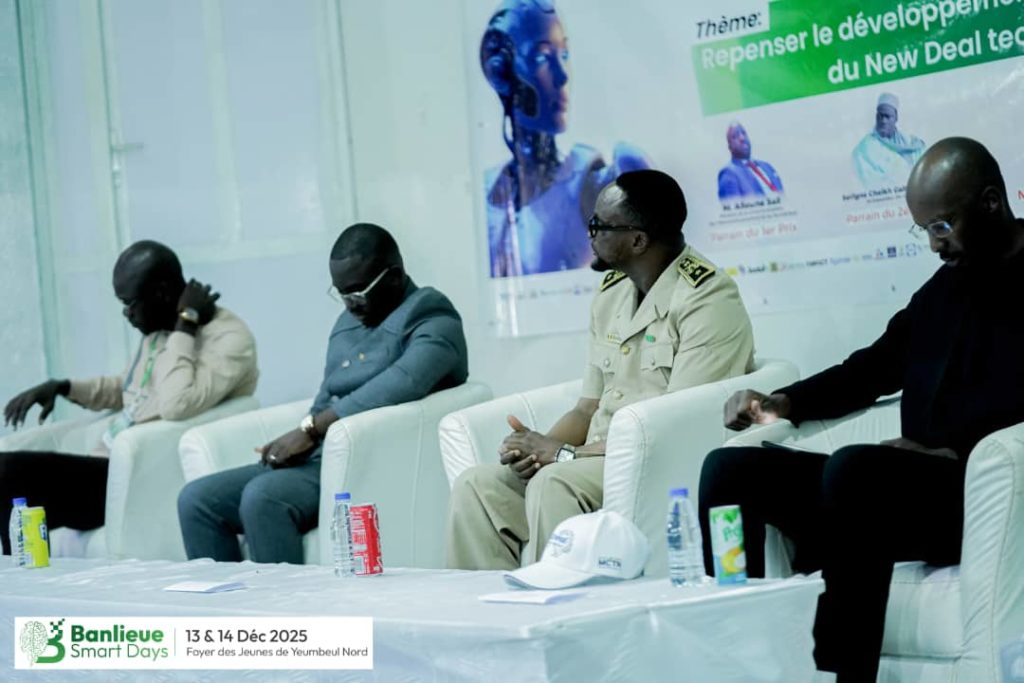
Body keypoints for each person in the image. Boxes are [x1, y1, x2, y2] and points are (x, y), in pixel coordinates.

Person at [699, 137, 1024, 681]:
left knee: (857, 471)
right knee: (730, 470)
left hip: (983, 494)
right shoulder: (944, 288)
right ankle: (743, 664)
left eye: (942, 226)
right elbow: (873, 367)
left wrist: (956, 454)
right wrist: (783, 403)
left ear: (991, 202)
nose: (934, 245)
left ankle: (841, 675)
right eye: (924, 230)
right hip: (899, 488)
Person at [447, 169, 755, 569]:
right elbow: (587, 408)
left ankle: (557, 603)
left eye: (598, 226)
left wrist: (563, 455)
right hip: (592, 458)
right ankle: (493, 607)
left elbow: (673, 430)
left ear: (637, 240)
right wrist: (537, 448)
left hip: (654, 463)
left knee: (554, 482)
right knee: (477, 486)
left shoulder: (707, 299)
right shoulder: (612, 292)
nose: (589, 235)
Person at [177, 223, 469, 564]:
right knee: (197, 500)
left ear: (393, 277)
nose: (349, 305)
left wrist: (312, 429)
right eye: (342, 293)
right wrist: (297, 439)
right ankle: (230, 600)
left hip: (367, 460)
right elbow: (328, 391)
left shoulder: (431, 315)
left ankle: (287, 601)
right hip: (321, 456)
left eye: (357, 292)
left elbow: (404, 381)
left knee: (263, 497)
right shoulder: (350, 321)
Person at [0, 240, 258, 554]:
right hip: (103, 466)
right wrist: (64, 387)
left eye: (130, 303)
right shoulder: (159, 330)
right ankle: (23, 573)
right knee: (14, 497)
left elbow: (175, 404)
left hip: (137, 477)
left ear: (162, 293)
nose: (126, 313)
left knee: (7, 473)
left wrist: (186, 325)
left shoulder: (229, 338)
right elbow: (127, 389)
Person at [481, 0, 649, 277]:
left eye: (565, 55)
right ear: (500, 71)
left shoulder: (593, 182)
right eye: (542, 58)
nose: (562, 77)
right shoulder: (486, 190)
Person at [852, 92, 926, 190]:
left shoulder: (911, 142)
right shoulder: (864, 149)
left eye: (887, 116)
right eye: (880, 116)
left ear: (896, 118)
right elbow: (870, 184)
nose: (883, 121)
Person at [716, 122, 784, 202]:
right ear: (729, 147)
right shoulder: (729, 173)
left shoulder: (767, 166)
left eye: (744, 133)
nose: (742, 138)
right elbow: (733, 208)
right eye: (735, 136)